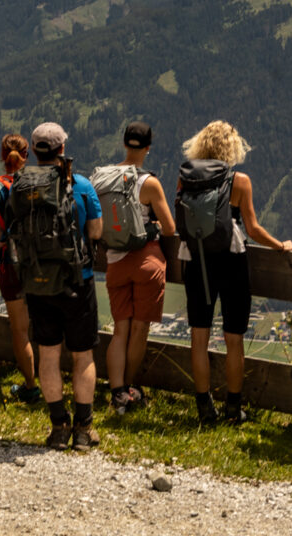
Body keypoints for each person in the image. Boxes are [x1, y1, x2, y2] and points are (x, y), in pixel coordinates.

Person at [179, 120, 292, 424]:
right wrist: (279, 245)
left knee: (199, 336)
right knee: (234, 338)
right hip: (231, 260)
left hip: (196, 259)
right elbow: (252, 228)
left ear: (200, 144)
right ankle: (233, 407)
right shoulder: (239, 181)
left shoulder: (185, 178)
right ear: (232, 146)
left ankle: (204, 407)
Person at [11, 123, 104, 450]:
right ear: (62, 149)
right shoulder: (79, 185)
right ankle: (83, 429)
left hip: (36, 281)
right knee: (83, 355)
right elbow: (94, 231)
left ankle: (58, 427)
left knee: (47, 355)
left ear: (34, 151)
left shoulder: (21, 185)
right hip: (78, 280)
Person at [103, 121, 176, 413]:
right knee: (140, 329)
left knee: (120, 330)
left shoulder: (105, 177)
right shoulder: (149, 182)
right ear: (147, 147)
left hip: (115, 260)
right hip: (146, 260)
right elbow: (170, 228)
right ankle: (131, 388)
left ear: (124, 143)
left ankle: (116, 390)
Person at [0, 133, 41, 404]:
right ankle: (55, 383)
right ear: (26, 156)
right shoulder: (40, 181)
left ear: (2, 157)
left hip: (11, 261)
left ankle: (30, 385)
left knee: (20, 329)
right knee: (49, 324)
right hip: (43, 260)